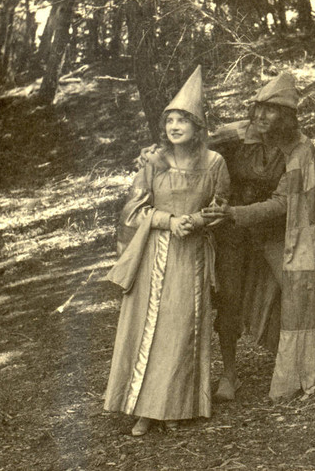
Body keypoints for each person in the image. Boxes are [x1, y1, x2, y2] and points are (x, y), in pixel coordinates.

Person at [103, 65, 230, 436]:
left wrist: (199, 221)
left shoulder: (215, 162)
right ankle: (144, 410)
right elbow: (133, 210)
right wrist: (167, 220)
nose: (175, 126)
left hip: (191, 256)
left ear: (197, 126)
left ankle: (176, 406)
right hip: (154, 254)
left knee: (181, 327)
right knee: (149, 327)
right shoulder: (153, 161)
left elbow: (221, 208)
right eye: (170, 120)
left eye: (183, 120)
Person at [202, 72, 315, 401]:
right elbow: (194, 149)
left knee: (293, 291)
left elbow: (286, 202)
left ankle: (293, 368)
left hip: (274, 232)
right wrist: (154, 155)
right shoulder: (239, 133)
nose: (260, 116)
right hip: (231, 232)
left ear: (286, 116)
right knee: (228, 297)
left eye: (270, 110)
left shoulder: (299, 148)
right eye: (257, 108)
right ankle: (229, 374)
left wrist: (238, 214)